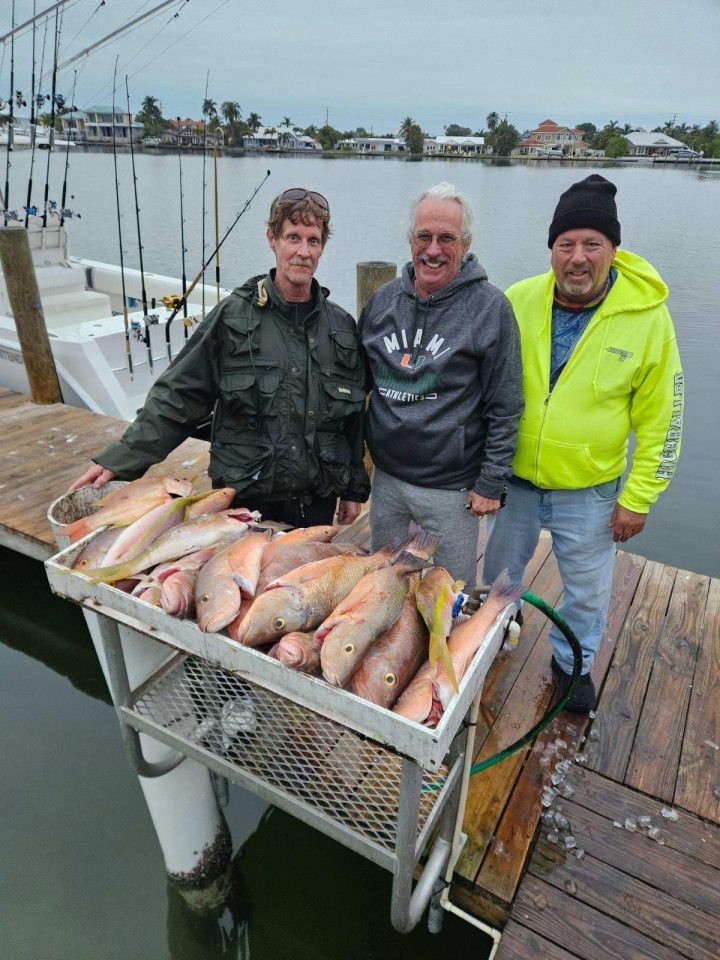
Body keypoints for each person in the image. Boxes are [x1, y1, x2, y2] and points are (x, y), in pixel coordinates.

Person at [483, 174, 683, 712]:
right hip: (513, 480)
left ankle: (571, 665)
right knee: (497, 572)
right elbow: (481, 385)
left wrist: (638, 495)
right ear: (551, 249)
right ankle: (499, 624)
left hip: (592, 488)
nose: (577, 257)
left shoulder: (648, 319)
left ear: (613, 250)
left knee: (587, 592)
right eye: (565, 244)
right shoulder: (517, 300)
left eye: (592, 243)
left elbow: (665, 416)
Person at [69, 188, 370, 526]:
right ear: (272, 239)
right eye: (293, 237)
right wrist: (121, 459)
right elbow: (180, 395)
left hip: (315, 507)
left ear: (322, 247)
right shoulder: (233, 317)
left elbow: (352, 420)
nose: (303, 252)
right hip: (243, 504)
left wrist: (354, 490)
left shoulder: (342, 328)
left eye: (313, 240)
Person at [359, 182, 524, 587]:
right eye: (424, 237)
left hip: (453, 489)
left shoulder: (490, 308)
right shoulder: (382, 302)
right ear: (410, 240)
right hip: (388, 481)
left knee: (448, 592)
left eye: (446, 238)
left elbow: (505, 405)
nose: (433, 249)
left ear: (465, 243)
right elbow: (355, 386)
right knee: (386, 585)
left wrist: (490, 482)